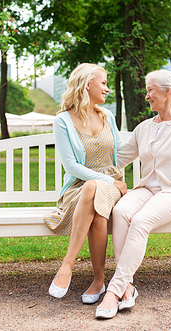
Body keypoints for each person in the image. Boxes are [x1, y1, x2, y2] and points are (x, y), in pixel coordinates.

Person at [95, 69, 171, 319]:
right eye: (147, 90)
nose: (147, 96)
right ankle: (127, 286)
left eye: (150, 90)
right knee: (121, 211)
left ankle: (113, 292)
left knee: (140, 220)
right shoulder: (144, 127)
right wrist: (87, 164)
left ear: (168, 92)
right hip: (147, 189)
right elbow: (118, 159)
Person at [44, 63, 127, 304]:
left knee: (95, 189)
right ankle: (99, 280)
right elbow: (71, 166)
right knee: (95, 201)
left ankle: (66, 267)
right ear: (87, 84)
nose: (107, 89)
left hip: (111, 188)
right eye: (103, 82)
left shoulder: (107, 116)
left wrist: (149, 142)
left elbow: (121, 152)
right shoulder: (63, 121)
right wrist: (109, 180)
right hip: (78, 189)